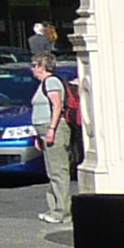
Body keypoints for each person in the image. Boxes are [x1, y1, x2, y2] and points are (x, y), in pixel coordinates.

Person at [29, 53, 77, 224]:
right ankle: (53, 207)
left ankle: (62, 212)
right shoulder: (43, 84)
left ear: (42, 66)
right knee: (52, 171)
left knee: (58, 171)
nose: (32, 68)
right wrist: (38, 135)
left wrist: (51, 129)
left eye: (34, 65)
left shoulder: (52, 82)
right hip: (44, 131)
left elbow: (57, 106)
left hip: (54, 129)